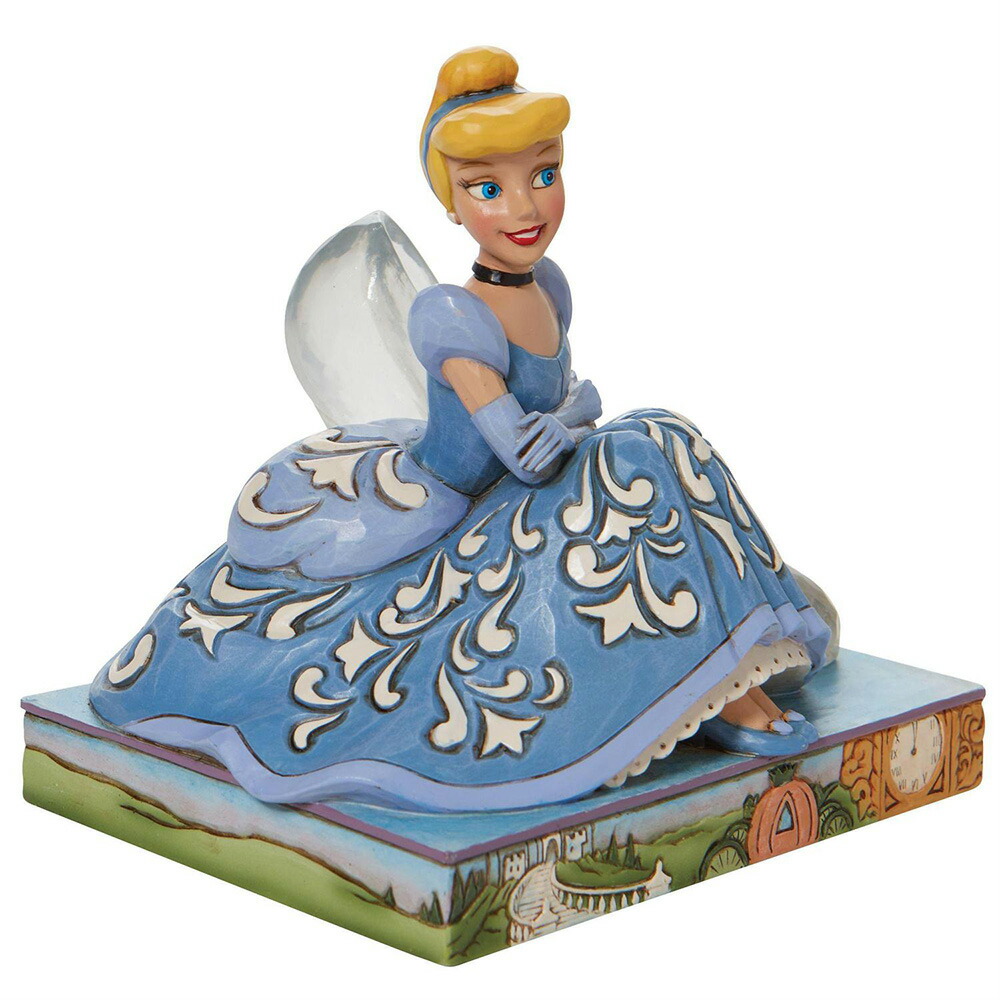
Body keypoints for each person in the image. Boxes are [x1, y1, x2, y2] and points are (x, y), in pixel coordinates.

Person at [88, 47, 834, 812]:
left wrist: (573, 416)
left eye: (544, 175)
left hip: (520, 483)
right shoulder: (452, 317)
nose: (525, 208)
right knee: (634, 457)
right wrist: (573, 417)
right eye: (488, 188)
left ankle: (733, 663)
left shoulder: (549, 286)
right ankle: (718, 688)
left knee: (666, 434)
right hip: (460, 497)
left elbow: (567, 410)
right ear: (452, 204)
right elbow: (524, 450)